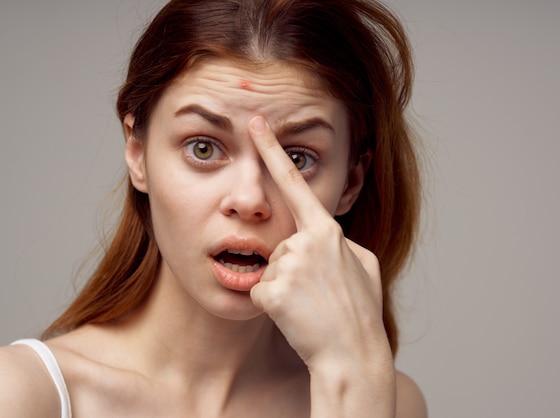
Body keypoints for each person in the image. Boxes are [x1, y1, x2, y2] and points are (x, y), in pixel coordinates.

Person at [0, 0, 427, 416]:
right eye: (203, 148)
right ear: (137, 153)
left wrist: (352, 379)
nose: (248, 200)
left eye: (297, 158)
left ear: (351, 181)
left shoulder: (388, 401)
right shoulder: (22, 396)